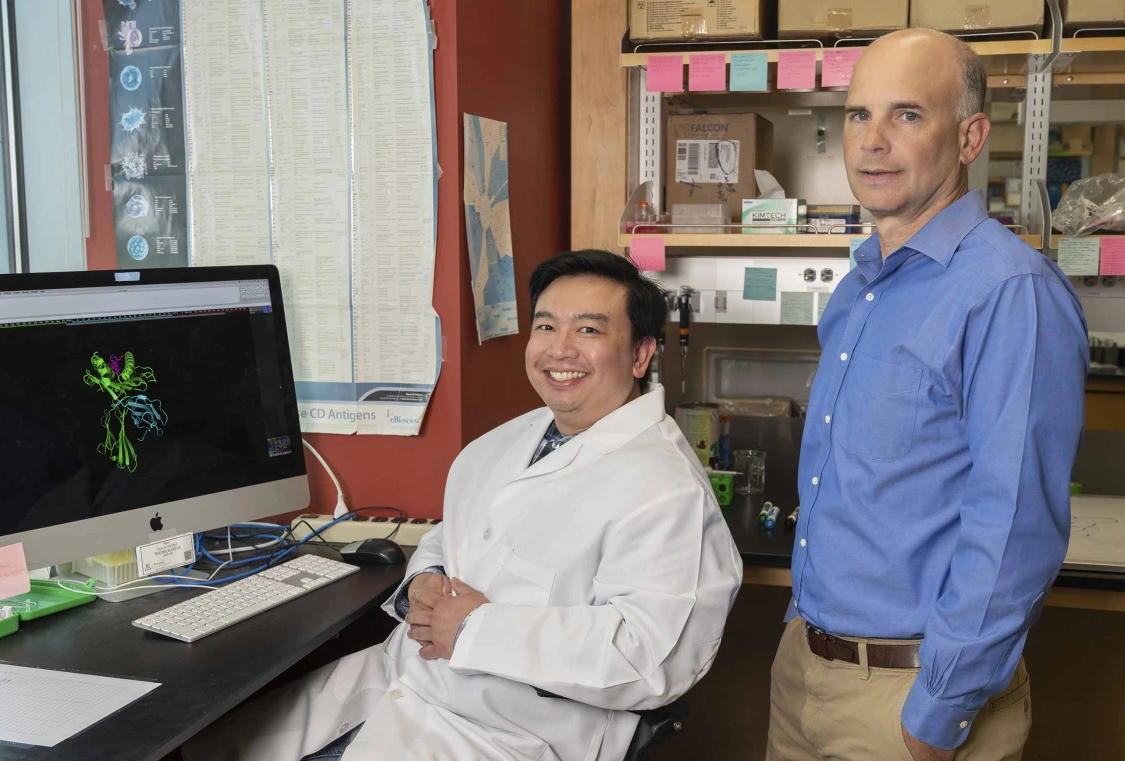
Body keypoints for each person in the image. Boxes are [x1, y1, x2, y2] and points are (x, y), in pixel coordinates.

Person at [184, 249, 743, 761]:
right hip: (396, 686)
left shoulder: (667, 490)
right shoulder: (503, 443)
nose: (560, 349)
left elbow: (653, 659)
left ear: (642, 353)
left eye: (589, 329)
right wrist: (425, 578)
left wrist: (476, 628)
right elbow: (455, 537)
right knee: (205, 748)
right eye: (546, 325)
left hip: (509, 735)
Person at [766, 29, 1089, 761]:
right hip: (807, 672)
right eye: (858, 114)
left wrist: (935, 714)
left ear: (970, 135)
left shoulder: (1010, 292)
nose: (873, 141)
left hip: (909, 700)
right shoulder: (860, 289)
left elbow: (1013, 526)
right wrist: (800, 629)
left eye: (907, 115)